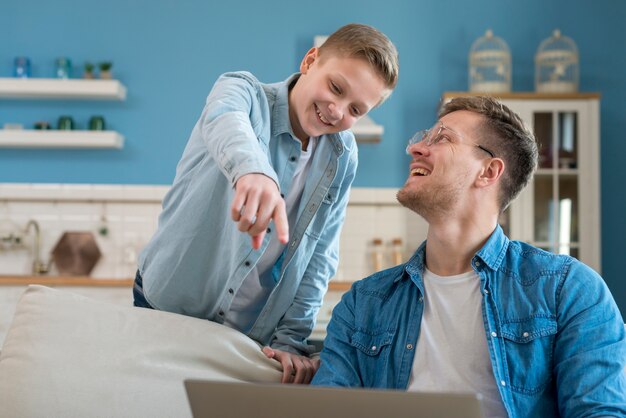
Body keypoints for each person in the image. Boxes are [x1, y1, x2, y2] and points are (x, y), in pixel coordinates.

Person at [312, 96, 626, 416]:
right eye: (423, 138)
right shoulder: (363, 302)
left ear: (488, 172)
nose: (416, 148)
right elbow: (325, 409)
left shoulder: (568, 289)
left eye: (443, 138)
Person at [133, 23, 399, 384]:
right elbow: (225, 119)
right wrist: (254, 172)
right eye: (336, 88)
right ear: (310, 62)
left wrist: (291, 339)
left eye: (356, 109)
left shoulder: (342, 155)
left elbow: (319, 256)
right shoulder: (242, 91)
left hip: (250, 337)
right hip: (167, 310)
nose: (337, 111)